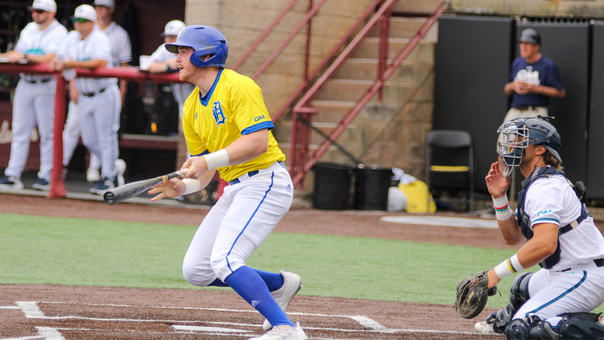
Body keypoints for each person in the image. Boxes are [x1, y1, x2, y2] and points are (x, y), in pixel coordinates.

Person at [147, 25, 308, 340]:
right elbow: (203, 173)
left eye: (183, 51)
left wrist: (207, 161)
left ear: (206, 55)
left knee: (224, 259)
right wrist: (182, 187)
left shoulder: (239, 86)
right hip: (236, 187)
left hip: (266, 182)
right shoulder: (192, 106)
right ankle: (280, 284)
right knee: (196, 270)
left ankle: (286, 329)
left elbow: (258, 142)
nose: (177, 58)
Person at [475, 116, 604, 339]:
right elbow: (512, 236)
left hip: (585, 275)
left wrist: (495, 274)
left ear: (540, 149)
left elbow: (545, 244)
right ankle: (506, 322)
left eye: (520, 139)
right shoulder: (538, 182)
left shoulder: (545, 186)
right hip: (564, 272)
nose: (512, 144)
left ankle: (598, 327)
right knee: (520, 288)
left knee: (523, 330)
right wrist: (499, 198)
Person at [50, 4, 122, 195]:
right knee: (89, 140)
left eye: (83, 21)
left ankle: (108, 178)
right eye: (76, 20)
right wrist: (59, 62)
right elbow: (59, 58)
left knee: (106, 138)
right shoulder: (71, 38)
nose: (78, 24)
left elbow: (101, 62)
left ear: (92, 22)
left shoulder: (99, 38)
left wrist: (71, 63)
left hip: (104, 92)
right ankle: (113, 167)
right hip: (84, 95)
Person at [0, 0, 67, 191]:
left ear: (52, 12)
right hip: (26, 83)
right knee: (20, 131)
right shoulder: (29, 28)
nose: (35, 14)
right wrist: (6, 56)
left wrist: (25, 57)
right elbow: (17, 52)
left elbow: (51, 57)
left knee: (48, 133)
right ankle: (13, 175)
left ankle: (46, 176)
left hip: (46, 85)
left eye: (40, 11)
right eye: (34, 10)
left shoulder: (59, 31)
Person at [148, 19, 195, 157]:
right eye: (168, 37)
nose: (169, 40)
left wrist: (168, 66)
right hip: (182, 102)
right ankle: (192, 176)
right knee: (190, 140)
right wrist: (168, 65)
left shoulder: (190, 49)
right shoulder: (165, 49)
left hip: (199, 101)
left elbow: (186, 66)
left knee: (199, 139)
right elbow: (150, 65)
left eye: (174, 37)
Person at [503, 29, 565, 123]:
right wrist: (514, 85)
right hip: (516, 111)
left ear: (536, 47)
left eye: (527, 44)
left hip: (536, 112)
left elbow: (560, 92)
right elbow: (507, 88)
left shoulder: (548, 65)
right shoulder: (517, 63)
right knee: (505, 136)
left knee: (533, 136)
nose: (523, 47)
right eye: (522, 43)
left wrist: (535, 88)